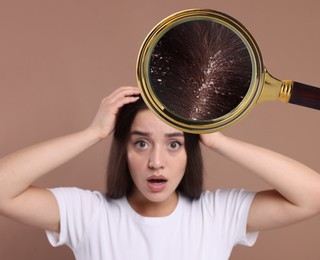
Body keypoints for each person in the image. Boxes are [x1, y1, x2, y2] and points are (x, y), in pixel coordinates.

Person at [0, 86, 320, 259]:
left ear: (189, 152)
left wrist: (217, 140)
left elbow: (312, 195)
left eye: (174, 144)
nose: (156, 161)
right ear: (122, 150)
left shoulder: (218, 214)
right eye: (141, 144)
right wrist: (93, 133)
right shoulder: (88, 214)